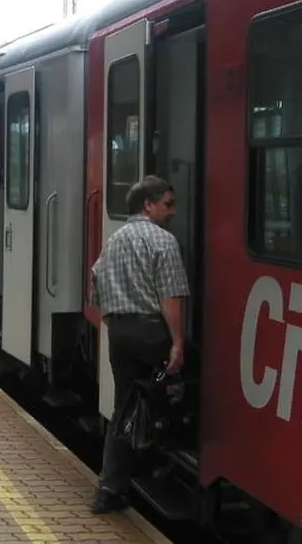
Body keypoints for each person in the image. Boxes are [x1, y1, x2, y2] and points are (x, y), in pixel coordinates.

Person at [88, 175, 190, 515]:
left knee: (125, 407)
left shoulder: (114, 239)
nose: (172, 212)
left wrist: (112, 323)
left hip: (120, 332)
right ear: (148, 204)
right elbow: (170, 297)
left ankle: (109, 489)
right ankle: (167, 460)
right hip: (151, 332)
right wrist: (177, 343)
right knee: (181, 388)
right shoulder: (163, 241)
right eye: (167, 204)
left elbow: (97, 280)